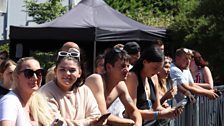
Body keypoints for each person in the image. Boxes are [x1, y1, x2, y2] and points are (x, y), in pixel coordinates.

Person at [39, 50, 103, 125]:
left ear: (79, 73)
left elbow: (95, 116)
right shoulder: (45, 92)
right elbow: (57, 123)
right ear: (56, 71)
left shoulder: (85, 90)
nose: (67, 74)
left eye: (72, 70)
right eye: (62, 70)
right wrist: (88, 123)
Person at [126, 46, 183, 125]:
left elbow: (157, 107)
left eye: (159, 69)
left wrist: (170, 111)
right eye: (155, 68)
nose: (157, 72)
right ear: (145, 62)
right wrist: (160, 114)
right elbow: (132, 112)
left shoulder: (154, 77)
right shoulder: (132, 77)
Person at [85, 48, 142, 126]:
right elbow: (102, 114)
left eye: (128, 66)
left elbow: (133, 111)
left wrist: (137, 124)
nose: (127, 70)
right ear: (109, 67)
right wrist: (129, 123)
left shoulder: (120, 85)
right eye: (122, 66)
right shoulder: (96, 80)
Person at [0, 57, 54, 126]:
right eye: (29, 73)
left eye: (38, 73)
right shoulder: (9, 101)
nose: (35, 78)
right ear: (17, 76)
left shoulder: (40, 100)